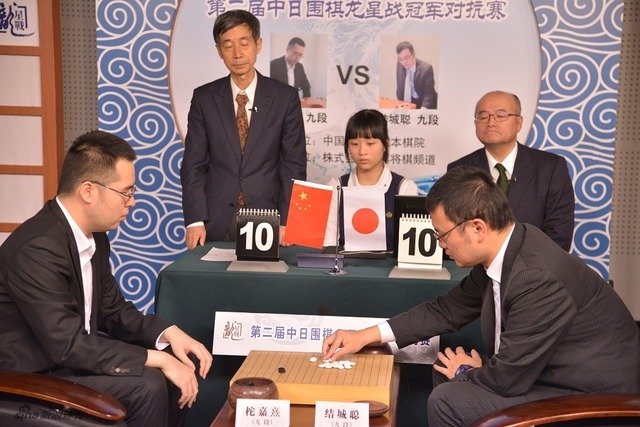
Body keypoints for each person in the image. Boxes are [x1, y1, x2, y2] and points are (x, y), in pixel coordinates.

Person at [322, 166, 640, 426]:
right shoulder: (509, 249)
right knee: (445, 370)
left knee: (448, 399)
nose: (440, 244)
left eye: (442, 234)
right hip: (547, 374)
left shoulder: (537, 277)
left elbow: (509, 380)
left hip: (591, 397)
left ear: (477, 227)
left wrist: (467, 372)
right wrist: (364, 335)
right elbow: (445, 310)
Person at [0, 130, 214, 427]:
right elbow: (67, 344)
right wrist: (158, 359)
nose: (132, 202)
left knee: (177, 371)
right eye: (126, 192)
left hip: (70, 363)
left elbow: (113, 309)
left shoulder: (95, 236)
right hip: (33, 376)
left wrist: (168, 334)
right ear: (88, 191)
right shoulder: (37, 248)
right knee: (148, 385)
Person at [180, 10, 307, 249]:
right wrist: (195, 220)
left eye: (244, 43)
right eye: (228, 46)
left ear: (258, 45)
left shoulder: (284, 98)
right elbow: (193, 165)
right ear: (219, 50)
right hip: (215, 219)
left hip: (269, 217)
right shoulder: (204, 98)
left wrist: (288, 220)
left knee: (264, 276)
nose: (237, 54)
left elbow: (293, 164)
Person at [448, 90, 574, 251]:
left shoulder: (550, 167)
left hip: (534, 265)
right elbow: (454, 232)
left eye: (500, 115)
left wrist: (526, 265)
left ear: (519, 123)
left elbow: (559, 234)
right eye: (483, 116)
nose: (491, 122)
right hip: (475, 265)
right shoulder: (459, 171)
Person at [323, 109, 419, 250]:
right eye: (355, 144)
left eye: (370, 143)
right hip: (346, 264)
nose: (362, 152)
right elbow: (329, 245)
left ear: (385, 144)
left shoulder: (404, 188)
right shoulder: (336, 187)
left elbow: (410, 249)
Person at [395, 41, 438, 109]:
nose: (404, 62)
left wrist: (423, 109)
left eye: (406, 58)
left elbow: (429, 94)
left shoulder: (426, 69)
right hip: (411, 102)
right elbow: (400, 88)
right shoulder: (400, 64)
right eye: (401, 59)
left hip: (424, 103)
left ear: (414, 54)